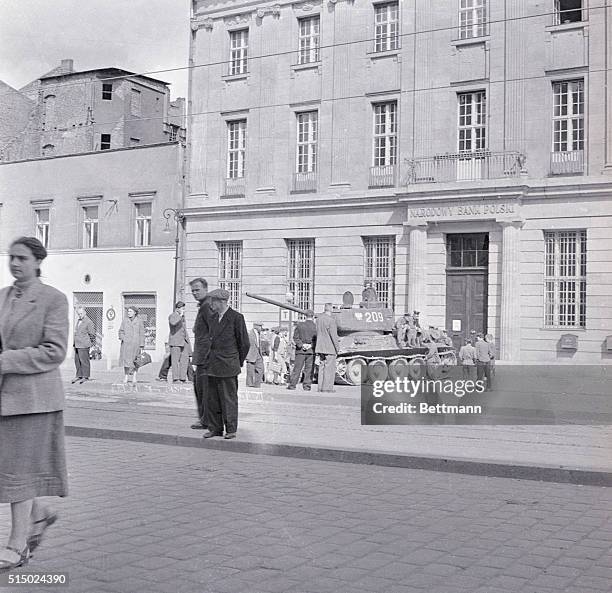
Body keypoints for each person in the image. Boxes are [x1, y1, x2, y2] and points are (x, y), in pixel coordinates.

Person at [0, 237, 69, 570]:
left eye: (22, 258)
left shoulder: (53, 299)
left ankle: (18, 544)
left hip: (34, 400)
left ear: (37, 261)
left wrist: (6, 361)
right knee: (12, 470)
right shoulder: (2, 297)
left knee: (17, 471)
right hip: (5, 397)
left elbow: (54, 351)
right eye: (11, 258)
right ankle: (38, 514)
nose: (15, 264)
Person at [202, 289, 249, 440]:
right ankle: (215, 428)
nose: (211, 305)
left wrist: (237, 361)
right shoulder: (213, 319)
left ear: (222, 302)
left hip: (229, 365)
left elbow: (244, 344)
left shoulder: (236, 318)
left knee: (228, 399)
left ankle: (231, 429)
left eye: (213, 302)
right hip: (213, 365)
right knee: (212, 399)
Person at [190, 278, 211, 429]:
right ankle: (205, 419)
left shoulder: (207, 307)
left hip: (206, 357)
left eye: (197, 289)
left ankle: (206, 420)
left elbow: (213, 330)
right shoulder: (203, 306)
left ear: (205, 289)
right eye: (193, 291)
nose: (195, 293)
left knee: (203, 390)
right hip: (202, 356)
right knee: (201, 389)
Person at [287, 310, 317, 391]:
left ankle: (292, 385)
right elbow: (317, 340)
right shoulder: (315, 326)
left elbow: (295, 337)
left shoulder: (300, 325)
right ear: (313, 316)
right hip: (311, 351)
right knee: (309, 369)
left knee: (297, 368)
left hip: (300, 351)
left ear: (305, 316)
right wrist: (311, 345)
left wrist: (301, 345)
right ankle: (307, 386)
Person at [315, 303, 340, 393]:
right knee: (329, 368)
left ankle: (320, 387)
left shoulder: (318, 320)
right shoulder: (331, 321)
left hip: (320, 347)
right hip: (330, 348)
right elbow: (334, 336)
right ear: (331, 310)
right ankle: (327, 388)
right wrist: (337, 348)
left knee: (321, 367)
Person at [118, 306, 145, 385]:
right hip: (126, 345)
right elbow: (120, 331)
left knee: (136, 361)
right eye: (128, 311)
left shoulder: (139, 321)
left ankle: (134, 376)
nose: (128, 313)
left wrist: (142, 344)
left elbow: (142, 333)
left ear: (135, 312)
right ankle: (126, 376)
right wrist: (123, 338)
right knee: (126, 361)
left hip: (136, 344)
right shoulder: (125, 321)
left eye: (130, 311)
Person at [168, 301, 191, 383]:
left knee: (184, 360)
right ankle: (175, 378)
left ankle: (182, 378)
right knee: (175, 361)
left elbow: (185, 331)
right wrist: (180, 316)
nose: (184, 310)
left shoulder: (182, 318)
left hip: (183, 342)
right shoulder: (172, 316)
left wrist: (188, 344)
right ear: (177, 308)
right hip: (175, 341)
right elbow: (173, 323)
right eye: (182, 308)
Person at [72, 306, 96, 384]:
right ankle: (79, 375)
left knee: (84, 361)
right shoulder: (79, 321)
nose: (80, 315)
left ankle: (85, 376)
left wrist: (91, 344)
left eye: (81, 313)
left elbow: (92, 334)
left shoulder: (89, 322)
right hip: (77, 344)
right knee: (77, 360)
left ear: (85, 313)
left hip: (84, 344)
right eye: (78, 314)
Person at [245, 323, 265, 388]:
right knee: (250, 371)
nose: (261, 328)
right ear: (256, 326)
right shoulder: (250, 333)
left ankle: (257, 384)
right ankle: (249, 384)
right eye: (260, 326)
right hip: (251, 354)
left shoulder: (259, 334)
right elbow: (245, 344)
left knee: (260, 368)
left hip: (258, 354)